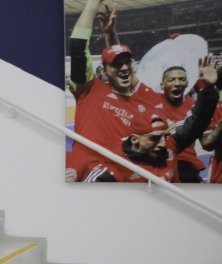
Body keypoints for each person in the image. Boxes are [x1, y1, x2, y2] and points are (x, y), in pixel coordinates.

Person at [66, 0, 160, 181]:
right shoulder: (89, 89)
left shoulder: (144, 98)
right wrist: (93, 2)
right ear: (104, 70)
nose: (124, 67)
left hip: (119, 174)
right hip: (78, 169)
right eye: (117, 64)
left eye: (128, 62)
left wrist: (110, 33)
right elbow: (77, 48)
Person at [79, 59, 218, 182]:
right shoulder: (114, 166)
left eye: (165, 136)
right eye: (155, 138)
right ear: (134, 139)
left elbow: (199, 120)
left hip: (187, 173)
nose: (163, 143)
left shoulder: (171, 144)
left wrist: (210, 89)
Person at [155, 66, 206, 183]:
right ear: (162, 85)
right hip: (160, 164)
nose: (177, 83)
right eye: (171, 80)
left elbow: (206, 143)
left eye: (182, 79)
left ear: (187, 83)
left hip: (187, 166)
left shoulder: (195, 106)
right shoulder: (152, 101)